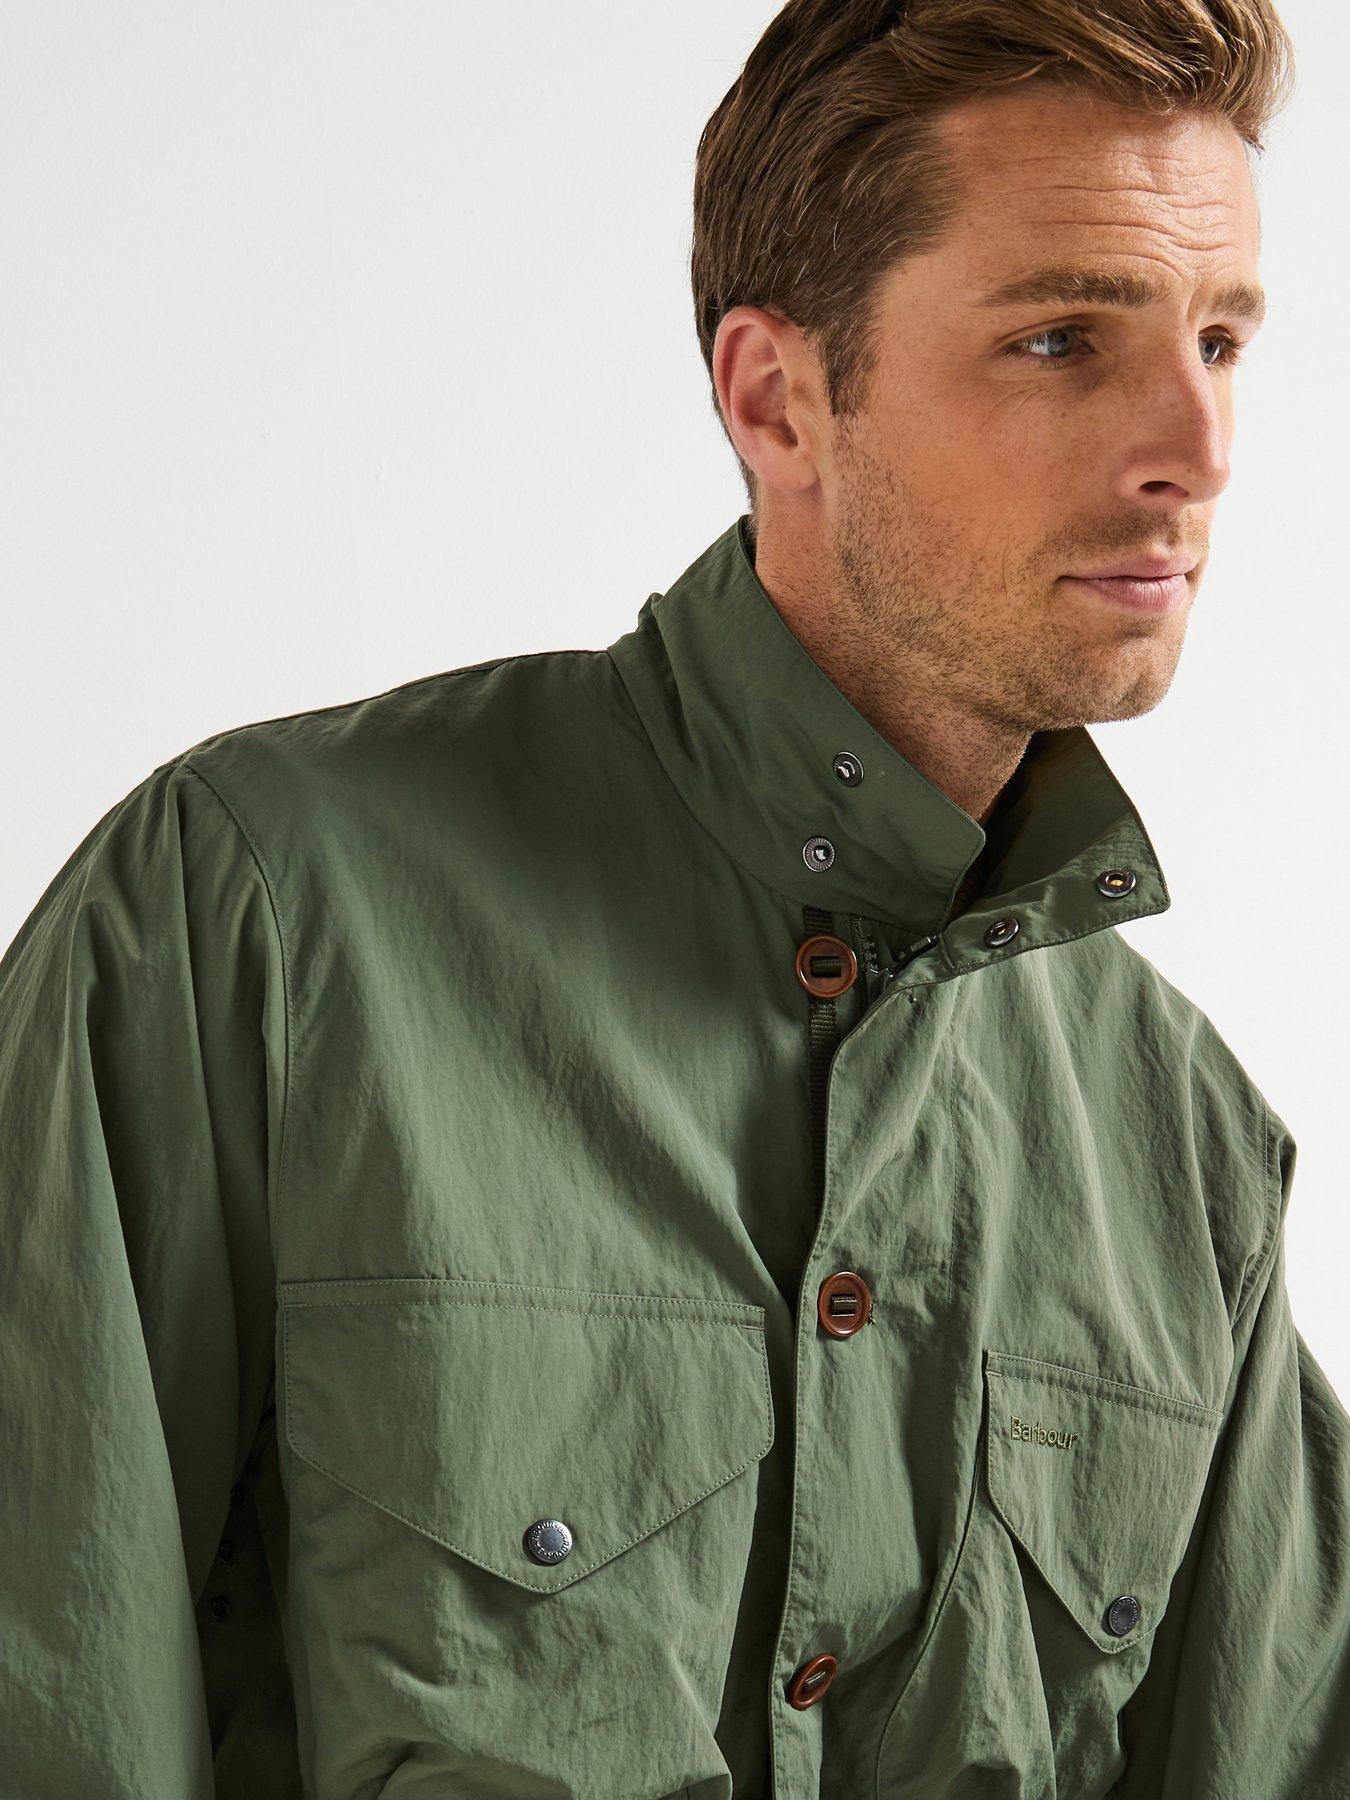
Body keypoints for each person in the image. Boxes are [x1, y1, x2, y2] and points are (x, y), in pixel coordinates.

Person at [2, 1, 1346, 1795]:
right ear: (776, 398)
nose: (1197, 442)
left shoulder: (1178, 1148)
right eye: (1058, 339)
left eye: (1221, 337)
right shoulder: (252, 916)